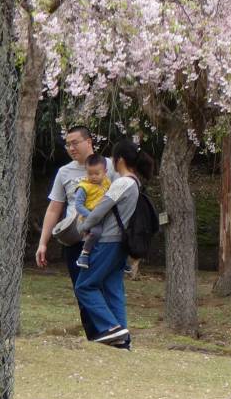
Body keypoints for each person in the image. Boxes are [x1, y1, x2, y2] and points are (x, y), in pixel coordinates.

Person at [34, 126, 116, 340]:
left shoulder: (111, 166)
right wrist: (43, 242)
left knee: (106, 288)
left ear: (89, 141)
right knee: (82, 289)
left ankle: (113, 332)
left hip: (106, 239)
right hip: (75, 241)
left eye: (75, 142)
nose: (71, 148)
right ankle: (95, 336)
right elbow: (54, 208)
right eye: (68, 144)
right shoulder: (65, 172)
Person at [73, 138, 155, 348]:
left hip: (108, 240)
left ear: (119, 160)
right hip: (120, 243)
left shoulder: (122, 183)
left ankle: (111, 327)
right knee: (113, 288)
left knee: (84, 285)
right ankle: (122, 340)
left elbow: (101, 209)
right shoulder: (136, 183)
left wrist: (83, 227)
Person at [67, 154, 112, 269]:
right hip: (89, 218)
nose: (93, 177)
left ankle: (119, 258)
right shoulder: (84, 187)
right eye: (90, 173)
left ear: (105, 171)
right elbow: (78, 206)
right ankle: (84, 253)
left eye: (97, 174)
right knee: (96, 232)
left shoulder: (107, 182)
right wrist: (92, 216)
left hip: (104, 216)